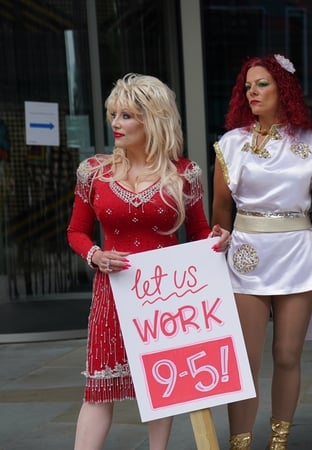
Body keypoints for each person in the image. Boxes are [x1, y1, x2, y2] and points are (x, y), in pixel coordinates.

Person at [66, 73, 230, 450]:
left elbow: (200, 230)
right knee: (98, 389)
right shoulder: (94, 172)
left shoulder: (184, 173)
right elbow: (76, 231)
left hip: (166, 295)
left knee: (161, 382)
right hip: (112, 292)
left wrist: (218, 240)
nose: (115, 123)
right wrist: (95, 254)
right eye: (114, 114)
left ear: (152, 119)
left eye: (126, 115)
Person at [212, 54, 312, 450]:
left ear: (284, 88)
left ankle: (279, 442)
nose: (252, 92)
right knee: (245, 360)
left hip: (298, 252)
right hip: (247, 255)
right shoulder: (231, 143)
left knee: (286, 355)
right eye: (247, 86)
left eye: (262, 84)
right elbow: (221, 213)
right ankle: (240, 444)